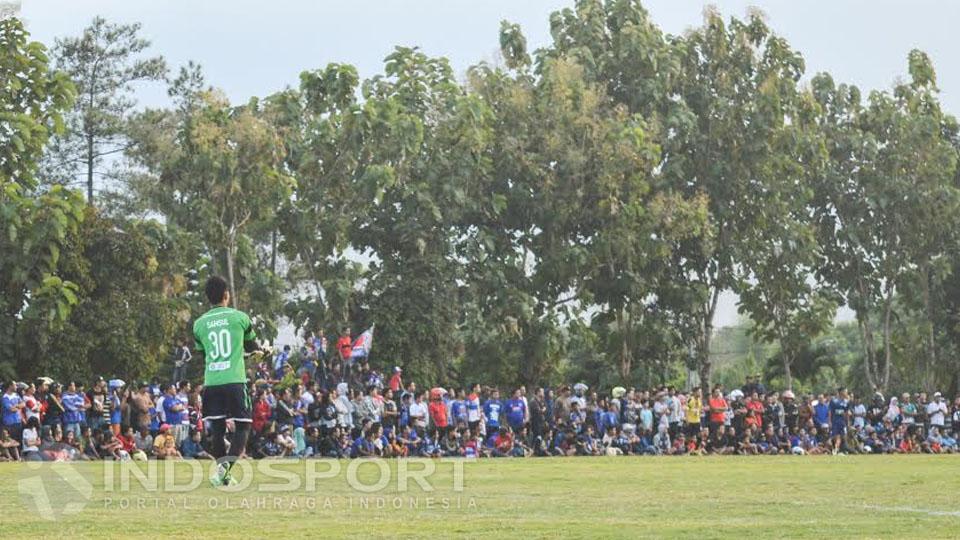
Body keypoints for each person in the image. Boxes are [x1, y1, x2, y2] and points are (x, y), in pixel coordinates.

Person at [193, 276, 264, 485]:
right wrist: (260, 353)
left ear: (208, 298)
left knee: (217, 429)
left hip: (212, 380)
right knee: (243, 427)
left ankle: (223, 475)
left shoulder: (199, 324)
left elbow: (204, 354)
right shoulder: (240, 318)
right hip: (234, 380)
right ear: (226, 295)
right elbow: (252, 347)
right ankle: (224, 471)